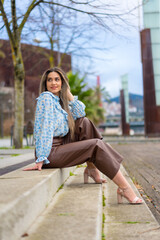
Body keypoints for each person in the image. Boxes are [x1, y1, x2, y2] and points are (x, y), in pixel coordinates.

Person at [24, 67, 143, 204]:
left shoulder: (59, 101)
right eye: (49, 80)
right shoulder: (46, 99)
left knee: (84, 122)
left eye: (57, 79)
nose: (53, 83)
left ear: (63, 82)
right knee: (96, 145)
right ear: (45, 84)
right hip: (51, 152)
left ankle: (92, 168)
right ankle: (124, 188)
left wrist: (68, 94)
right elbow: (45, 129)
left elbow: (81, 113)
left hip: (62, 143)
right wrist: (41, 157)